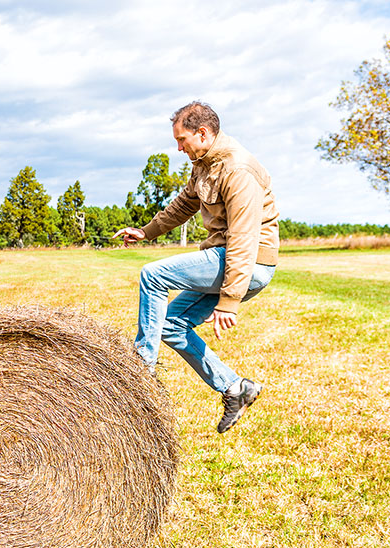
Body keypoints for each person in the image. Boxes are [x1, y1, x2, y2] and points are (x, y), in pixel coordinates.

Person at [113, 102, 280, 433]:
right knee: (171, 325)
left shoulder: (238, 170)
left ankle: (140, 371)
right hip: (228, 258)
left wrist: (229, 299)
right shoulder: (204, 163)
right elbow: (183, 205)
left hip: (246, 263)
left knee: (153, 275)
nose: (179, 148)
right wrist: (147, 231)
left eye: (182, 140)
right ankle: (235, 388)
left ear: (202, 133)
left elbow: (243, 238)